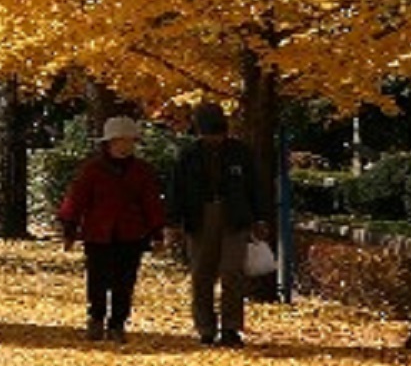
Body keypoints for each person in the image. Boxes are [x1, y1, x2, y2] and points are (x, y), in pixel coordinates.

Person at [57, 116, 166, 343]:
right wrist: (70, 228)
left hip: (131, 233)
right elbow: (77, 199)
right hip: (98, 233)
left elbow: (151, 202)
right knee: (97, 280)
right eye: (120, 141)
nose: (125, 146)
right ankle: (96, 318)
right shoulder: (93, 170)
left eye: (129, 141)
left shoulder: (142, 171)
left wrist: (157, 232)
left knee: (124, 282)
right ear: (110, 143)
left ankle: (117, 323)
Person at [168, 103, 268, 347]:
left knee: (232, 272)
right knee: (202, 273)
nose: (214, 138)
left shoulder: (240, 153)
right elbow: (176, 190)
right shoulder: (189, 156)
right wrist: (173, 221)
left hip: (234, 216)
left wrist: (260, 218)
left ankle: (231, 327)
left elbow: (255, 186)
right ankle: (205, 327)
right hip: (199, 216)